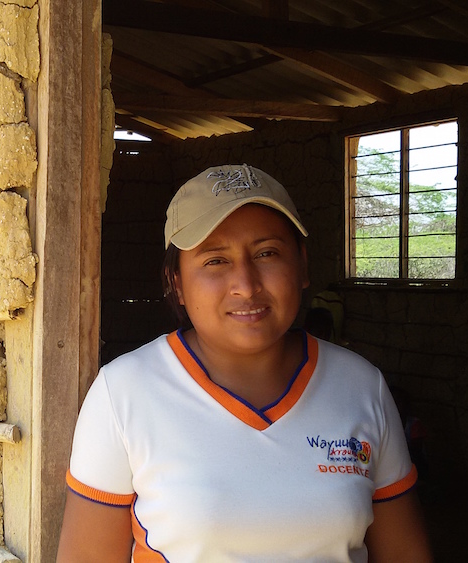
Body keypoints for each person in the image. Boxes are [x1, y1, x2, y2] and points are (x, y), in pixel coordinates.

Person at [58, 165, 432, 562]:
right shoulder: (124, 394)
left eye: (267, 253)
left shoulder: (360, 387)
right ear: (176, 283)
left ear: (302, 265)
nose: (246, 284)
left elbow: (404, 553)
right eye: (215, 260)